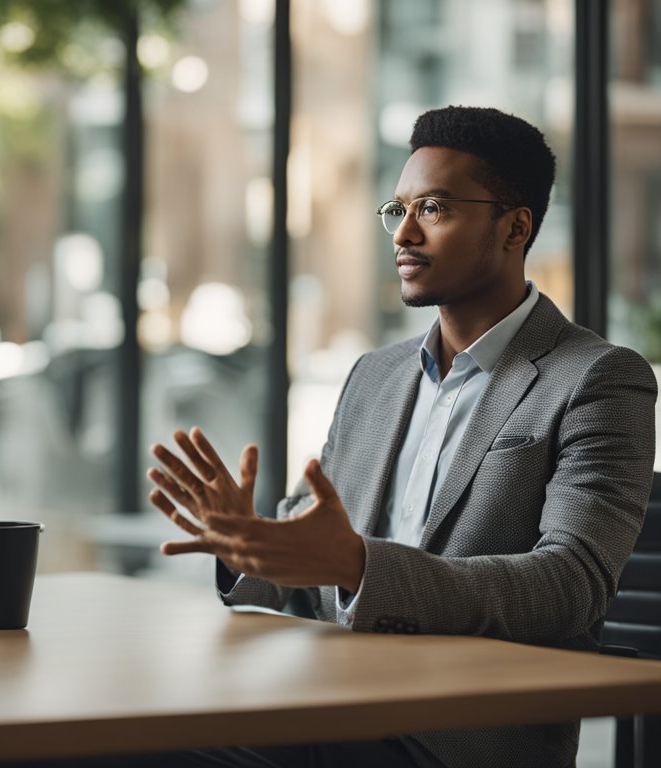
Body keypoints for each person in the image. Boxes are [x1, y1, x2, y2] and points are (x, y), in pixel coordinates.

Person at [147, 106, 656, 768]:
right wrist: (254, 549)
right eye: (398, 210)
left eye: (435, 209)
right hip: (326, 696)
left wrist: (360, 567)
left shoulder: (596, 379)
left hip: (459, 735)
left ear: (515, 226)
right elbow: (316, 559)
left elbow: (570, 586)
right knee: (105, 730)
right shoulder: (374, 376)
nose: (404, 234)